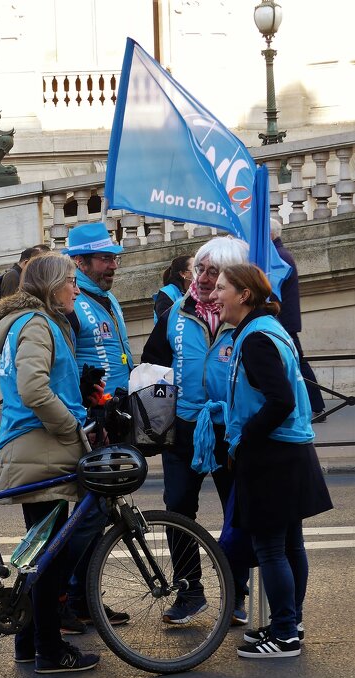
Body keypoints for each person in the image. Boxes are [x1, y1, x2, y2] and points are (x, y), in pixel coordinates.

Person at [0, 252, 99, 674]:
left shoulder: (33, 323)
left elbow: (43, 380)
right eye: (71, 280)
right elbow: (33, 389)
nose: (76, 288)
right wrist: (72, 427)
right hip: (41, 445)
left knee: (42, 553)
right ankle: (50, 650)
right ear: (51, 285)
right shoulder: (37, 323)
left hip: (36, 446)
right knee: (51, 554)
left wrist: (79, 388)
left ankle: (29, 645)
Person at [211, 263, 332, 658]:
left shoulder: (256, 338)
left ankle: (284, 635)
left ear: (243, 295)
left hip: (271, 454)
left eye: (221, 289)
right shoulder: (268, 328)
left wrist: (246, 439)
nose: (214, 296)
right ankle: (289, 623)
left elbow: (279, 400)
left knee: (272, 549)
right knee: (290, 545)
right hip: (289, 451)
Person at [141, 236, 250, 625]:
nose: (204, 278)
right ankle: (189, 592)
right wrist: (159, 416)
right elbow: (153, 362)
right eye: (200, 268)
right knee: (178, 511)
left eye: (214, 272)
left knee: (237, 515)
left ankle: (237, 591)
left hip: (230, 432)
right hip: (183, 430)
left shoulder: (245, 319)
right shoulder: (176, 313)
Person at [58, 221, 134, 633]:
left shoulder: (105, 298)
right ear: (79, 262)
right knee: (89, 513)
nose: (112, 264)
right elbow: (66, 368)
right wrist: (89, 412)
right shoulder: (73, 305)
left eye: (113, 257)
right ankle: (63, 595)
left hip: (114, 418)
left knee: (100, 512)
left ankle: (84, 597)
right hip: (93, 424)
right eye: (105, 257)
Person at [270, 218, 326, 420]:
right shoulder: (280, 254)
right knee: (297, 363)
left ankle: (317, 407)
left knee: (299, 364)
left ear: (270, 235)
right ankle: (315, 406)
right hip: (285, 320)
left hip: (282, 321)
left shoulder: (278, 257)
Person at [152, 254, 194, 324]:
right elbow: (165, 323)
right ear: (183, 273)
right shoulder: (167, 294)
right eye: (196, 269)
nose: (200, 272)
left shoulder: (199, 292)